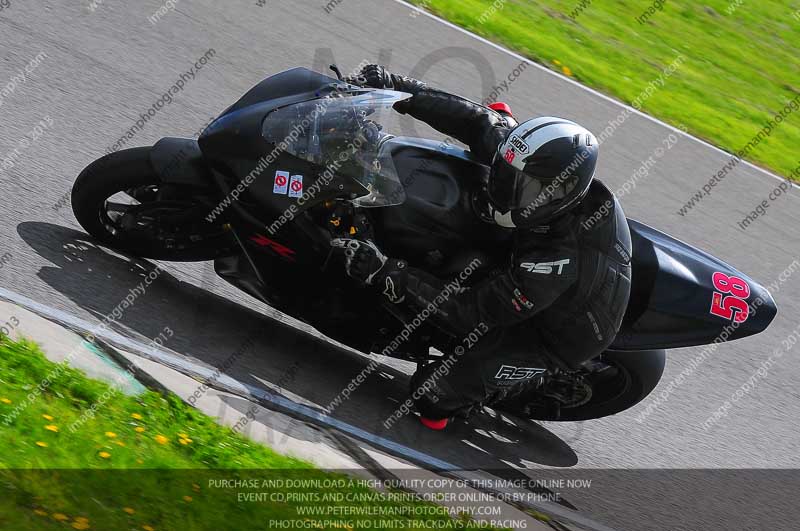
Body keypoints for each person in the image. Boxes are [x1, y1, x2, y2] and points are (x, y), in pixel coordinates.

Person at [332, 65, 632, 429]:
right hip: (527, 256)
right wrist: (397, 88)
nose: (503, 188)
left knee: (431, 400)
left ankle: (536, 379)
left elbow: (471, 312)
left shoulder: (555, 259)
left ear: (559, 195)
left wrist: (387, 272)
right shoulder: (530, 167)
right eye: (507, 175)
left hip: (553, 334)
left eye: (523, 188)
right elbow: (478, 121)